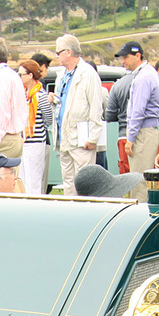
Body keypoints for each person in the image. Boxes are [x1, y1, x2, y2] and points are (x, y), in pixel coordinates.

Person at [51, 34, 103, 195]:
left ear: (68, 52)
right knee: (68, 182)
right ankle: (70, 214)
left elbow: (96, 105)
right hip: (64, 137)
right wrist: (53, 100)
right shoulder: (61, 75)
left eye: (58, 52)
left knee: (85, 181)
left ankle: (86, 214)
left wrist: (93, 137)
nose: (57, 56)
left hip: (82, 137)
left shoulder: (88, 73)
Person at [118, 42, 159, 185]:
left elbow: (138, 112)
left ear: (137, 56)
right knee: (148, 179)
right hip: (149, 131)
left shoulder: (143, 77)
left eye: (126, 57)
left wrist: (131, 138)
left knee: (139, 181)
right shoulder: (151, 73)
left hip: (142, 133)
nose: (123, 61)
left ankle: (142, 207)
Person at [17, 59, 54, 195]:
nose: (20, 77)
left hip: (36, 142)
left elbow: (48, 119)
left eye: (22, 74)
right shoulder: (24, 95)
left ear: (30, 75)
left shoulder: (41, 96)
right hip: (23, 142)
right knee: (23, 178)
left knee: (34, 180)